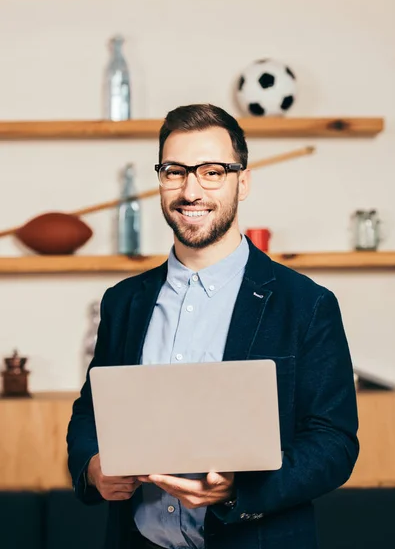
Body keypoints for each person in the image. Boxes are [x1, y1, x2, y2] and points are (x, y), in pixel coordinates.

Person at [67, 103, 359, 549]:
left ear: (242, 182)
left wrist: (239, 489)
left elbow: (333, 442)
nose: (190, 190)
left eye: (211, 172)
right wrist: (92, 467)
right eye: (175, 171)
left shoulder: (307, 304)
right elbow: (92, 410)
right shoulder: (124, 302)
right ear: (161, 179)